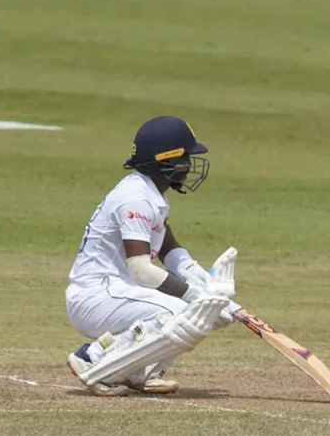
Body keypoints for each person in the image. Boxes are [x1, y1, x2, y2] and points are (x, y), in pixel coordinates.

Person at [65, 116, 238, 397]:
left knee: (202, 313)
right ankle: (92, 356)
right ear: (165, 161)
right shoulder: (136, 198)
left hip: (117, 293)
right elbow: (141, 270)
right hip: (95, 296)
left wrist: (207, 286)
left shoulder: (150, 193)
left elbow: (169, 248)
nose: (190, 165)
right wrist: (194, 295)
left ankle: (138, 369)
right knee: (183, 313)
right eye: (185, 158)